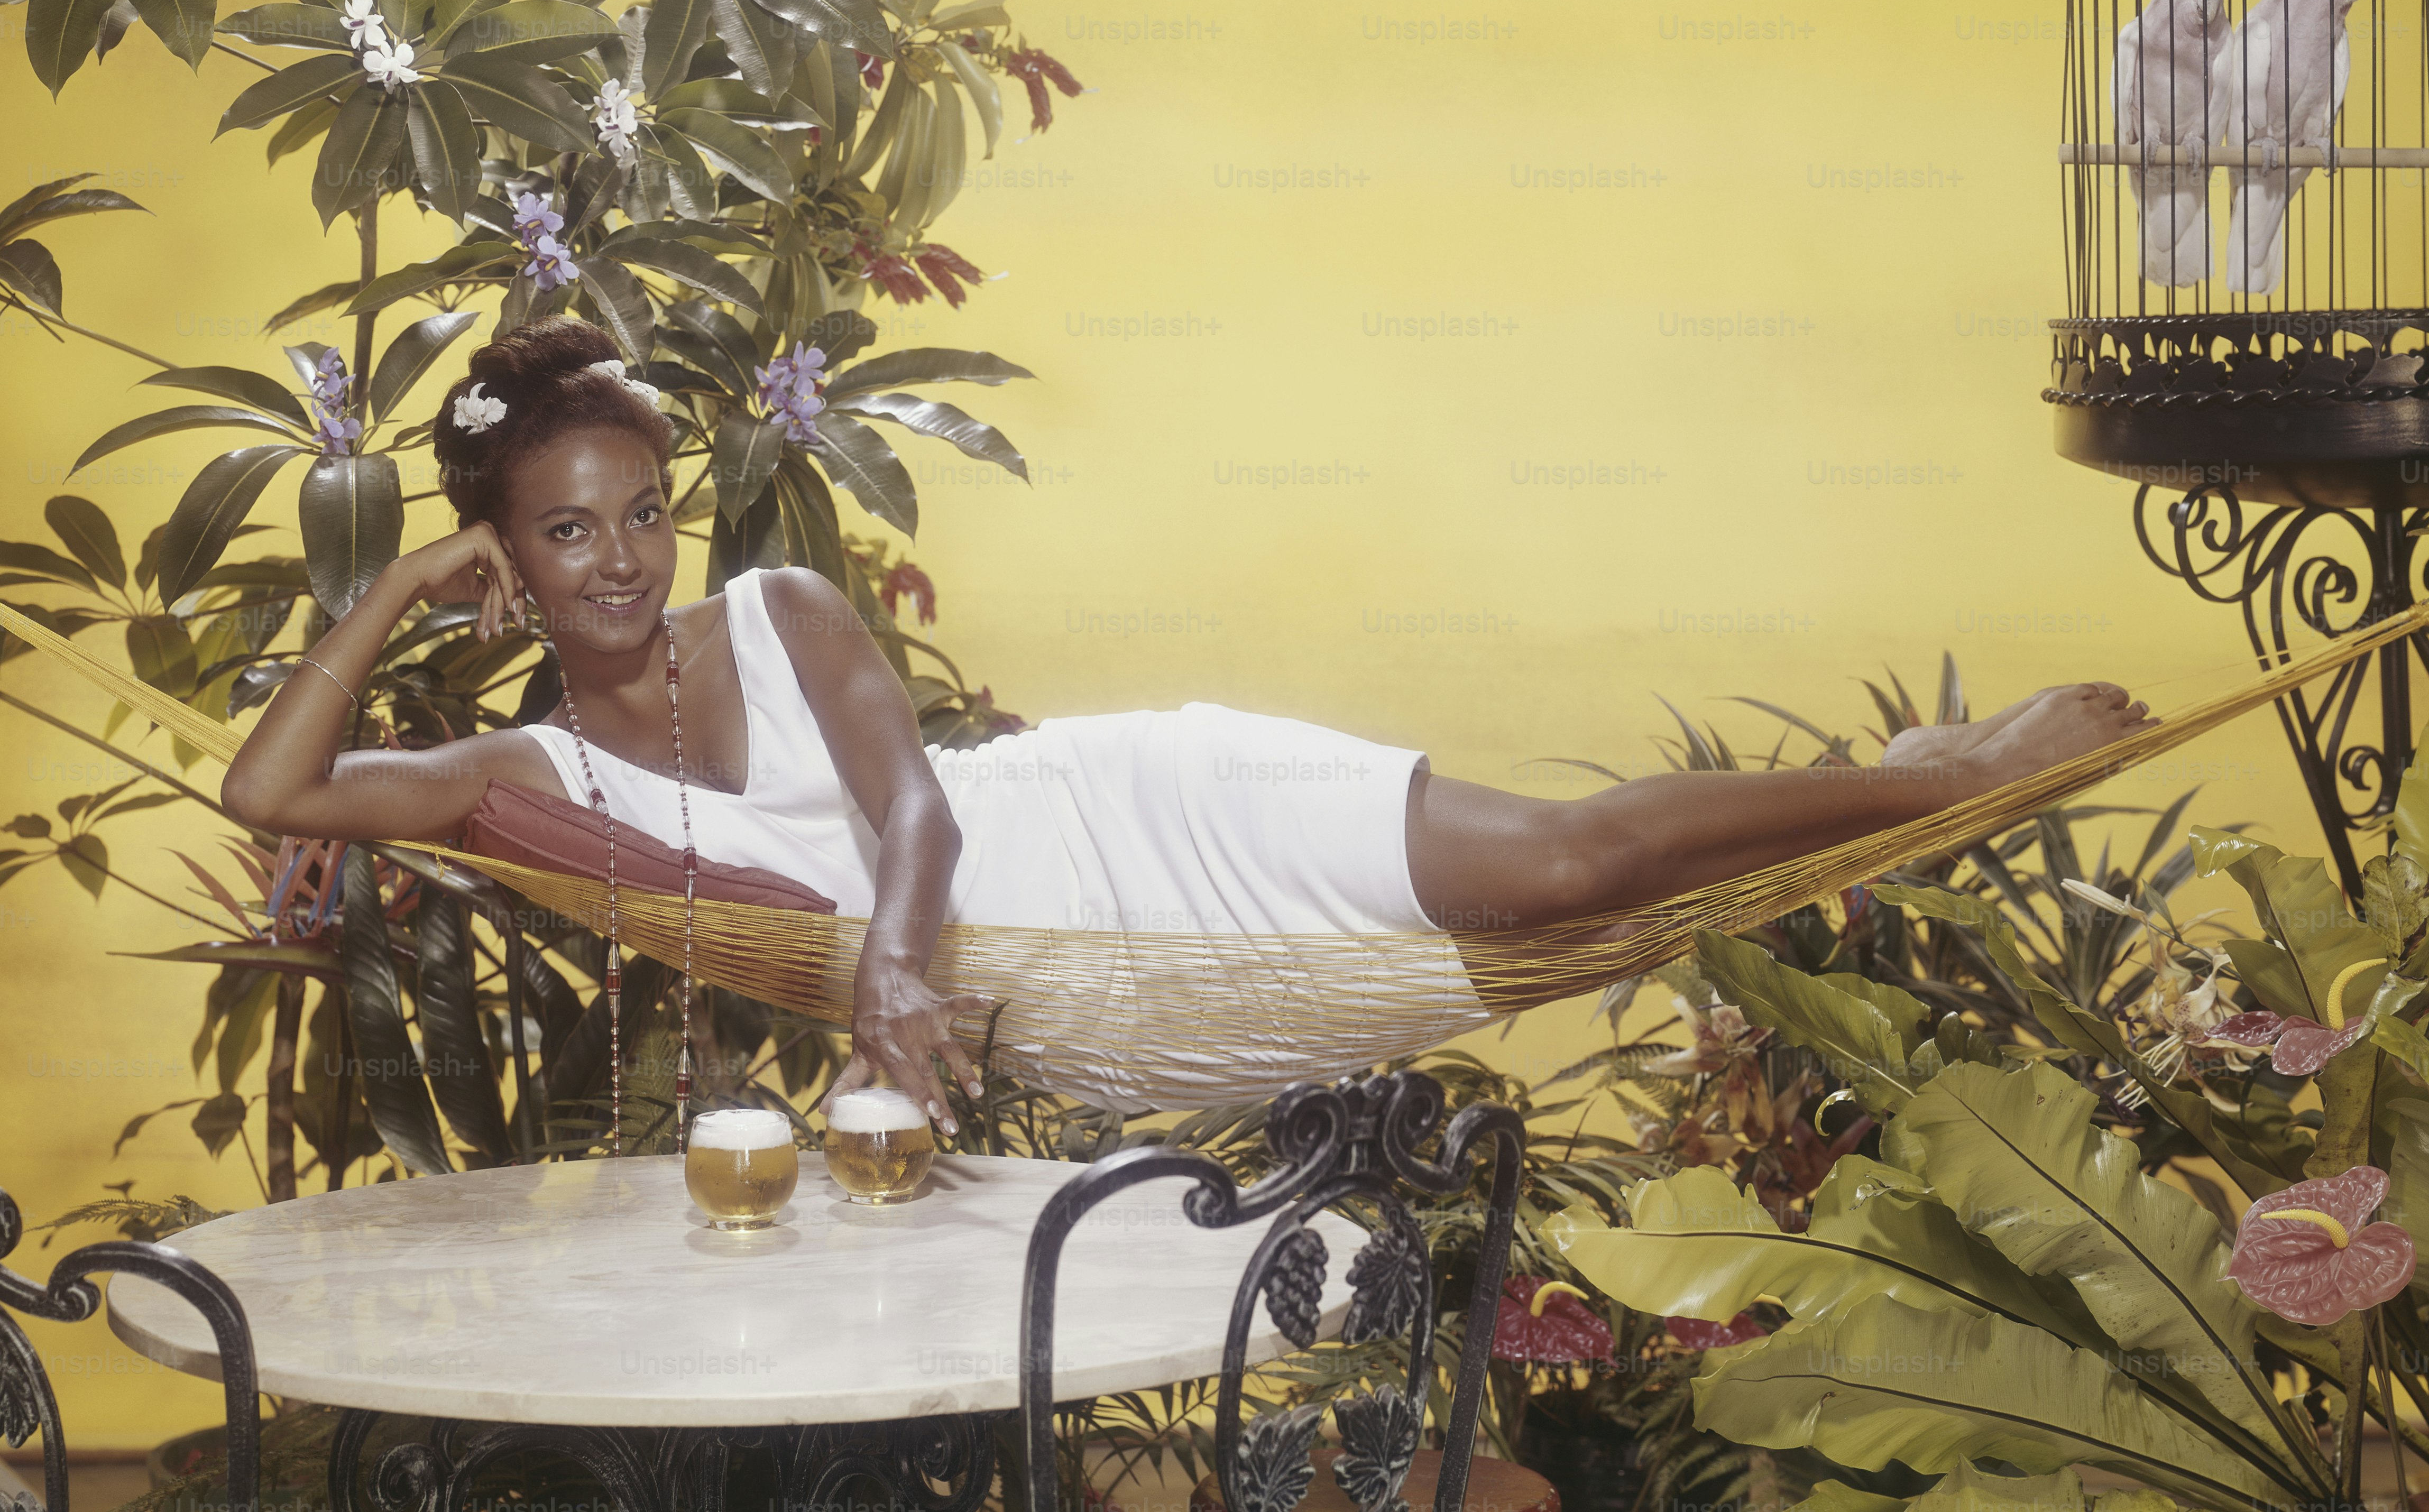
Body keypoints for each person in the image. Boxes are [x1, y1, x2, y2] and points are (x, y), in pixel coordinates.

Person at [221, 320, 2154, 1130]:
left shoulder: (782, 607)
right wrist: (394, 585)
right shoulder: (520, 775)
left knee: (1571, 864)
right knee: (1495, 950)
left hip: (1137, 807)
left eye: (643, 511)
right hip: (1105, 965)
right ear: (511, 553)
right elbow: (269, 782)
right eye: (567, 534)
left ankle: (1945, 775)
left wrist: (893, 971)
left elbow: (915, 819)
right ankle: (1936, 779)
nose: (625, 561)